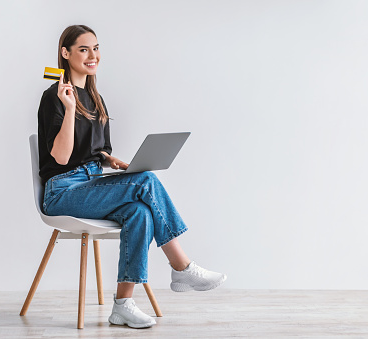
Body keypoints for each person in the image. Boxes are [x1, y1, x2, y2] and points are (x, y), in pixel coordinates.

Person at [37, 24, 227, 329]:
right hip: (62, 192)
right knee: (147, 182)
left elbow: (95, 150)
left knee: (139, 212)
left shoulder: (96, 98)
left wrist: (109, 159)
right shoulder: (55, 97)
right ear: (65, 53)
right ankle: (181, 265)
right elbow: (60, 157)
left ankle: (123, 304)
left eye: (96, 48)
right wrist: (69, 108)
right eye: (84, 49)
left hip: (90, 184)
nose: (92, 55)